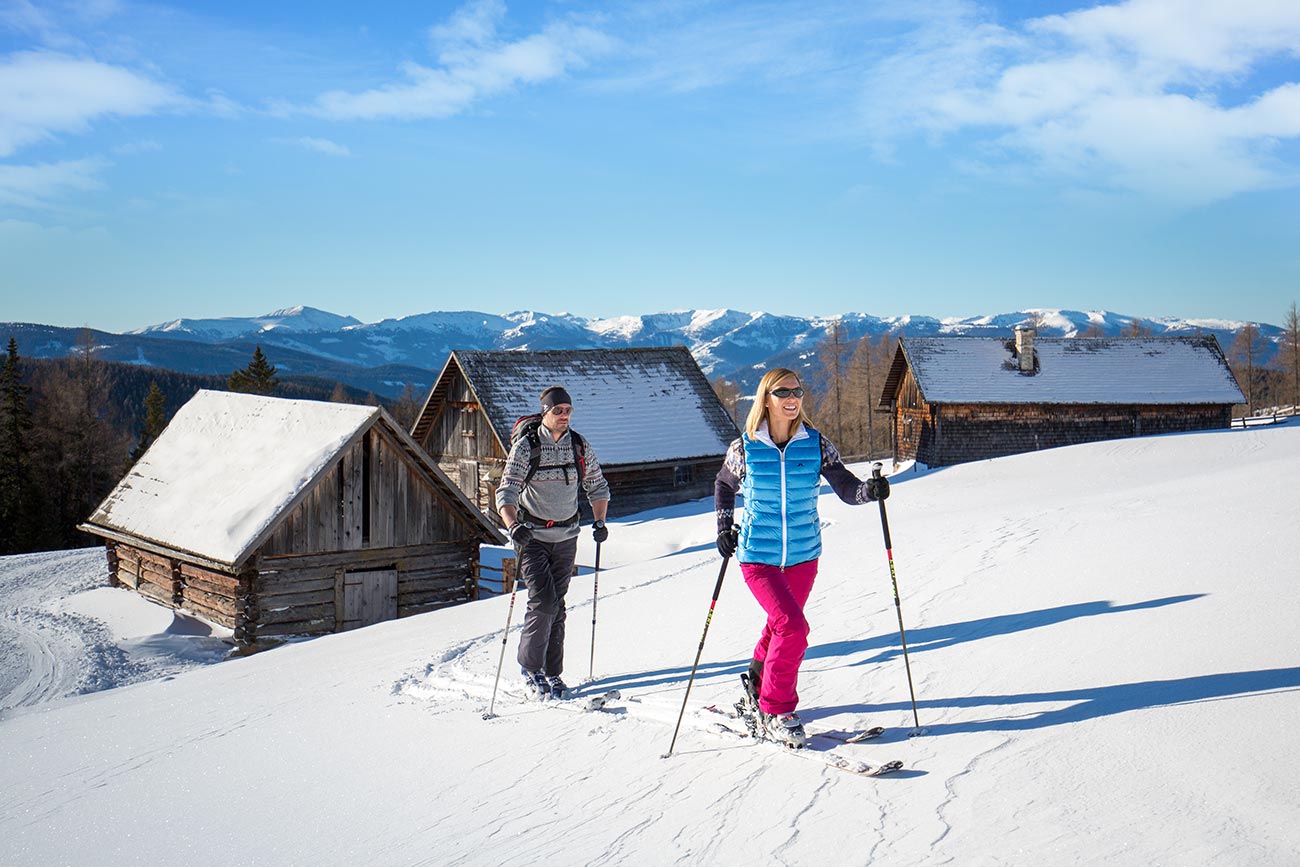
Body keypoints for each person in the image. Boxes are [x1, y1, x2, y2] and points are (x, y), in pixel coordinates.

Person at [713, 367, 890, 747]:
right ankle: (777, 709)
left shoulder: (816, 444)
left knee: (780, 626)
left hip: (803, 555)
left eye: (798, 391)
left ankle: (758, 688)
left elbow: (845, 487)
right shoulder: (744, 447)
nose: (792, 398)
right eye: (783, 392)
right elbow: (724, 485)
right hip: (758, 555)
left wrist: (869, 492)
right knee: (793, 627)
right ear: (766, 398)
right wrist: (724, 527)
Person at [497, 385, 610, 700]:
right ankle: (530, 669)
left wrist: (599, 521)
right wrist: (513, 524)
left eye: (568, 410)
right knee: (544, 601)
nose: (564, 415)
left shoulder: (578, 445)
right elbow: (506, 491)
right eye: (557, 410)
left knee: (557, 605)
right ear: (544, 412)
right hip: (530, 536)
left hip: (567, 536)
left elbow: (598, 486)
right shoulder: (527, 447)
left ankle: (552, 673)